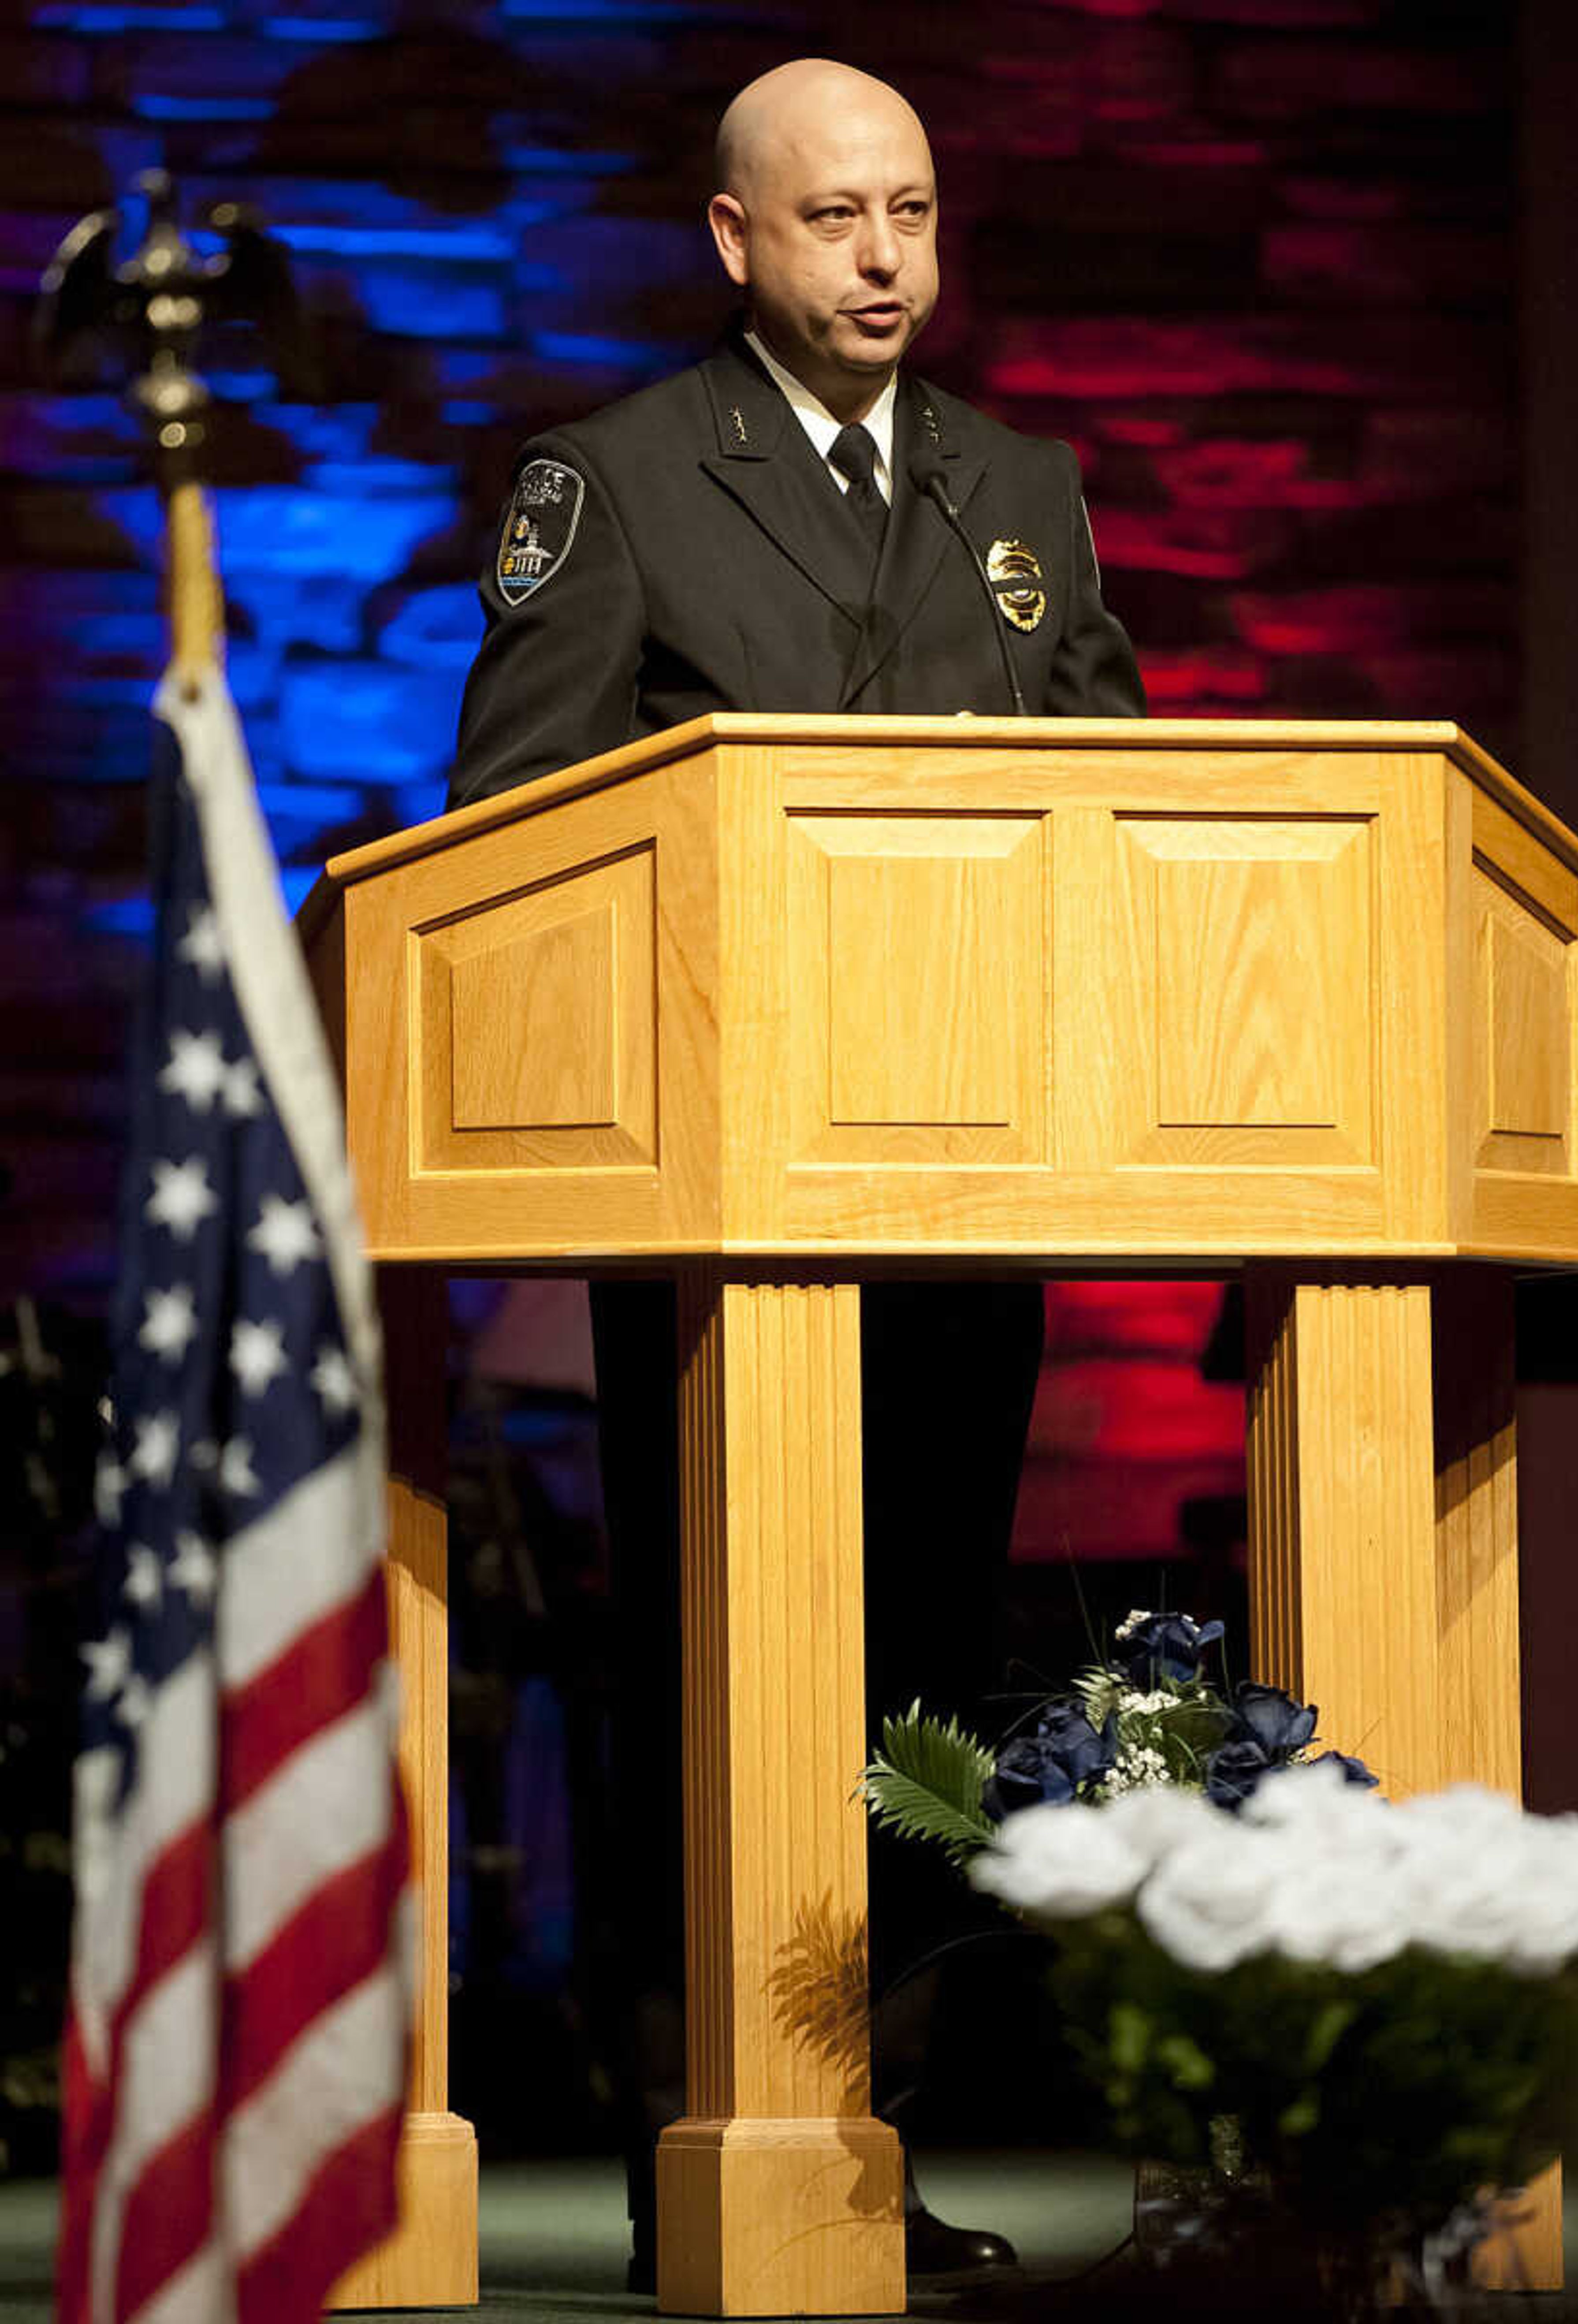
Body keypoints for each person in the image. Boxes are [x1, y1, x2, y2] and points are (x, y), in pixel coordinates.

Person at [450, 58, 1146, 2291]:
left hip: (967, 1189)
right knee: (722, 1669)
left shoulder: (1021, 487)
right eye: (837, 217)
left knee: (918, 1687)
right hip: (732, 1219)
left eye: (915, 214)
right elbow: (519, 837)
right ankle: (717, 2140)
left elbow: (1125, 805)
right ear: (735, 239)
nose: (884, 257)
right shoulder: (620, 481)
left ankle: (868, 2151)